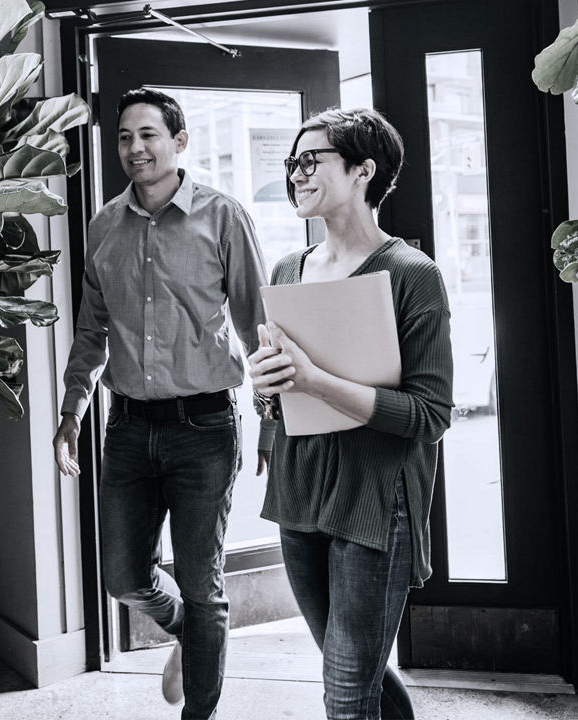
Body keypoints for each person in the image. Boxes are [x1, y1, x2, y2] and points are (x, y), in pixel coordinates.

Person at [53, 87, 271, 720]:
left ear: (179, 142)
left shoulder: (223, 217)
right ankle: (188, 634)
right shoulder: (103, 226)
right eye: (124, 137)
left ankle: (196, 710)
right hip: (127, 429)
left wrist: (272, 423)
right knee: (123, 575)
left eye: (148, 134)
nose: (134, 148)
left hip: (204, 426)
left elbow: (260, 327)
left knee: (204, 586)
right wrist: (72, 415)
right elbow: (92, 332)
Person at [247, 107, 453, 720]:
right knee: (354, 671)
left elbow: (430, 415)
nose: (296, 173)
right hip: (299, 491)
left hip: (375, 500)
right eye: (293, 162)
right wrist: (264, 388)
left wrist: (316, 380)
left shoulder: (414, 276)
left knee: (345, 689)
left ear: (365, 171)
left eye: (312, 160)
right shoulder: (288, 269)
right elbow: (280, 399)